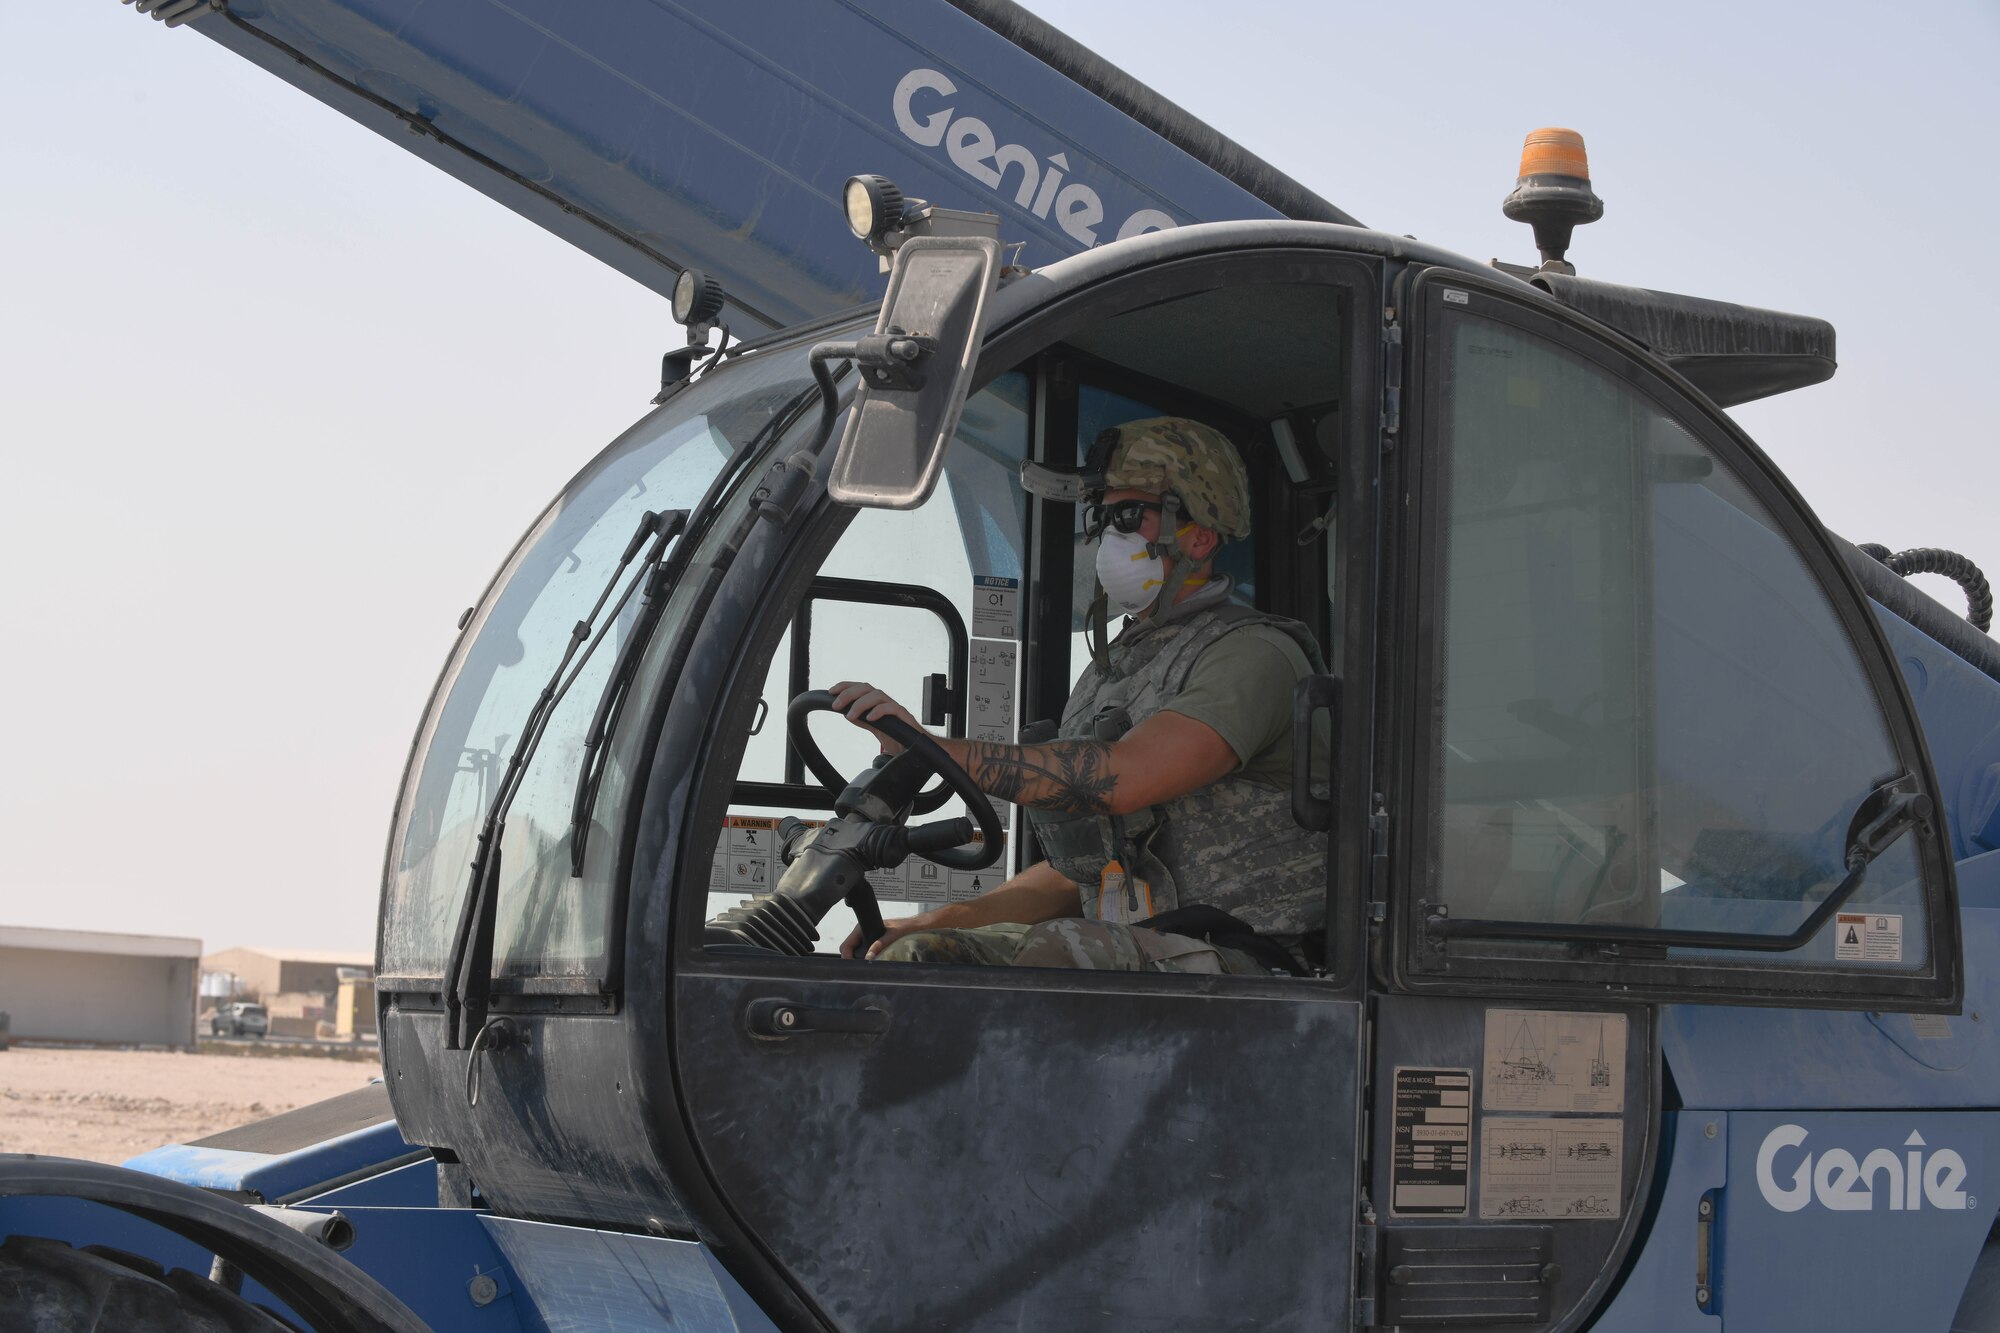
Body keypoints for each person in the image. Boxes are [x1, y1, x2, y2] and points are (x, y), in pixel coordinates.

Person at [832, 416, 1329, 976]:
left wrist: (939, 752)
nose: (1107, 535)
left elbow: (1123, 777)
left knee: (1054, 955)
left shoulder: (1254, 654)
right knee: (922, 958)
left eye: (1127, 515)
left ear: (1200, 535)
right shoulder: (1112, 671)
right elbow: (1087, 868)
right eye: (1102, 515)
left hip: (1257, 967)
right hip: (1134, 955)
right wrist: (943, 921)